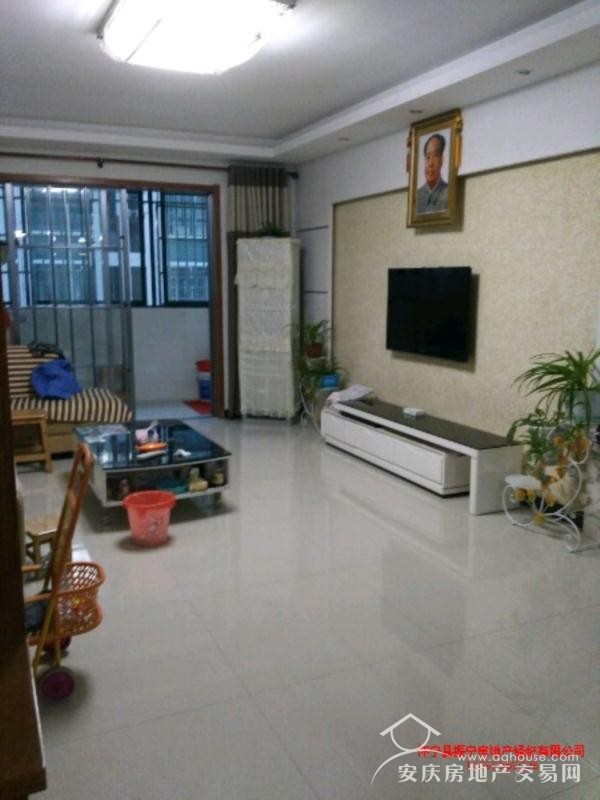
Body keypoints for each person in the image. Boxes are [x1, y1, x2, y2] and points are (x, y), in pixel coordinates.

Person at [416, 133, 448, 214]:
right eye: (428, 157)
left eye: (435, 156)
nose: (430, 164)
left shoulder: (449, 192)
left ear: (441, 160)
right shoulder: (416, 196)